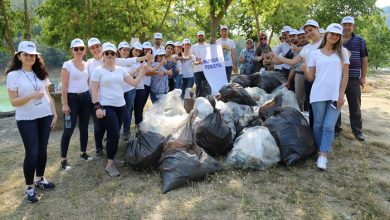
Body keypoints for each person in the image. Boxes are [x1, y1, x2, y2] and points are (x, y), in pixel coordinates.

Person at [6, 41, 57, 203]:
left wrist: (54, 113)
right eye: (26, 54)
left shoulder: (41, 73)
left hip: (45, 116)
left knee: (42, 150)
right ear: (19, 56)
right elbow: (14, 102)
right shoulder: (13, 75)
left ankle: (40, 179)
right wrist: (31, 96)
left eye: (32, 55)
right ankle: (29, 187)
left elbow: (48, 95)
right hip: (26, 119)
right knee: (32, 152)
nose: (29, 57)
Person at [91, 42, 146, 177]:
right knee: (115, 133)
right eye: (107, 53)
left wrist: (142, 73)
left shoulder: (121, 70)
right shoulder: (97, 71)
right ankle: (110, 164)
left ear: (115, 55)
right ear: (103, 55)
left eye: (112, 53)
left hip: (121, 106)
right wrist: (97, 107)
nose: (110, 56)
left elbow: (133, 83)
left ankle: (113, 156)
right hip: (106, 106)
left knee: (114, 134)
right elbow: (94, 91)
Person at [306, 23, 349, 170]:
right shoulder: (314, 54)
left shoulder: (342, 52)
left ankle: (323, 156)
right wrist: (305, 68)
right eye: (332, 33)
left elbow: (345, 75)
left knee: (329, 127)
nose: (334, 36)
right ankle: (320, 151)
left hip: (334, 95)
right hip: (318, 93)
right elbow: (311, 78)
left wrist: (341, 94)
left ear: (339, 37)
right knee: (317, 125)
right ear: (326, 34)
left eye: (337, 35)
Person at [269, 20, 323, 128]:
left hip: (323, 81)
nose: (308, 34)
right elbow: (293, 62)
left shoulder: (327, 43)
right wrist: (279, 58)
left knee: (323, 110)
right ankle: (312, 131)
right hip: (309, 81)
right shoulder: (307, 48)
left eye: (310, 30)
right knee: (312, 108)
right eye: (306, 32)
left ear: (318, 28)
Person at [60, 38, 92, 171]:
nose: (79, 51)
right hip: (72, 99)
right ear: (72, 50)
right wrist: (64, 104)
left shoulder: (87, 65)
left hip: (85, 98)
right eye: (76, 49)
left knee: (84, 128)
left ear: (85, 50)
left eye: (81, 48)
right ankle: (63, 160)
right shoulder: (67, 65)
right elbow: (64, 87)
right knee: (69, 129)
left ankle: (83, 153)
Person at [335, 16, 368, 141]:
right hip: (337, 78)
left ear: (353, 26)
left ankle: (357, 131)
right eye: (344, 24)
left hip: (354, 78)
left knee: (355, 106)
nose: (347, 27)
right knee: (336, 103)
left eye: (349, 24)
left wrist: (363, 77)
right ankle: (336, 129)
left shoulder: (360, 40)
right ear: (341, 25)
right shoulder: (336, 39)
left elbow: (364, 59)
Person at [86, 37, 105, 158]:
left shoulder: (109, 59)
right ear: (90, 50)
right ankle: (98, 148)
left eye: (97, 46)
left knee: (110, 123)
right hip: (95, 99)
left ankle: (108, 144)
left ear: (101, 46)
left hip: (109, 98)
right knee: (98, 126)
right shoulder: (88, 63)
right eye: (92, 47)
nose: (96, 49)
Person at [117, 41, 136, 142]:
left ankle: (126, 132)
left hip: (130, 90)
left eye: (128, 50)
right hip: (118, 91)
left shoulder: (131, 61)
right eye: (124, 50)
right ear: (119, 51)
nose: (126, 52)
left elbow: (131, 74)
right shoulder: (114, 61)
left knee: (127, 112)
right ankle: (115, 132)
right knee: (117, 112)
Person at [191, 31, 210, 97]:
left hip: (207, 69)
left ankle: (208, 100)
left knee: (207, 86)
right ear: (197, 37)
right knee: (198, 86)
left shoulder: (208, 46)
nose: (200, 37)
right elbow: (191, 57)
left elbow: (211, 57)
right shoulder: (193, 46)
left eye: (202, 35)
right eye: (199, 35)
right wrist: (197, 59)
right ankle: (198, 101)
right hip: (197, 70)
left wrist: (199, 59)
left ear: (204, 36)